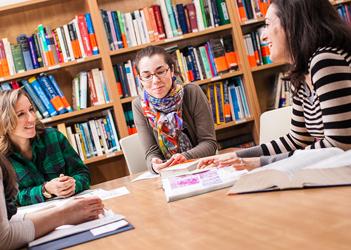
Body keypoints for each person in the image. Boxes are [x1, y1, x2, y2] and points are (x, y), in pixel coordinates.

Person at [199, 0, 351, 169]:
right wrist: (234, 157)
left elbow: (339, 144)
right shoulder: (301, 73)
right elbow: (297, 139)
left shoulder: (325, 61)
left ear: (292, 24)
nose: (263, 36)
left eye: (268, 25)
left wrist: (260, 163)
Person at [132, 46, 217, 174]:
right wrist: (154, 164)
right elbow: (151, 152)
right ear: (140, 80)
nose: (155, 81)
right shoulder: (139, 105)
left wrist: (185, 157)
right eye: (147, 76)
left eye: (160, 72)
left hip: (202, 167)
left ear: (171, 70)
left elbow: (209, 143)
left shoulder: (192, 92)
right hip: (169, 174)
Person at [0, 89, 90, 206]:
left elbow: (83, 173)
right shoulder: (2, 158)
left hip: (72, 208)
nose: (32, 118)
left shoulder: (54, 137)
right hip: (35, 220)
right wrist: (45, 190)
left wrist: (74, 185)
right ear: (4, 121)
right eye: (21, 114)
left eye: (31, 109)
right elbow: (8, 200)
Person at [0, 153, 103, 250]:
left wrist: (58, 207)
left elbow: (6, 219)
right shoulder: (5, 154)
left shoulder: (53, 136)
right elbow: (3, 239)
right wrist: (65, 214)